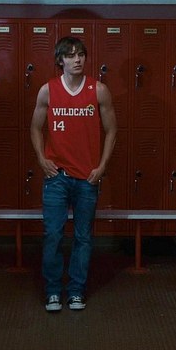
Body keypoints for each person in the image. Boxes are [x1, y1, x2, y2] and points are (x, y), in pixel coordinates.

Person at [30, 36, 117, 312]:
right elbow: (35, 127)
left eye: (80, 54)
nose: (77, 59)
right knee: (53, 235)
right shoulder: (48, 91)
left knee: (83, 237)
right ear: (60, 61)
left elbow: (112, 130)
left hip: (87, 178)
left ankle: (76, 291)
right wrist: (41, 158)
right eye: (70, 55)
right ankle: (53, 291)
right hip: (56, 177)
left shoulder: (98, 90)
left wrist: (102, 166)